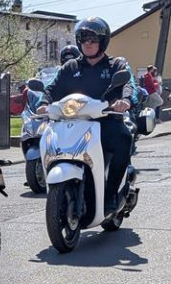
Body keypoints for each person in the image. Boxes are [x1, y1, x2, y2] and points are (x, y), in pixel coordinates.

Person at [37, 16, 136, 214]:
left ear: (103, 41)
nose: (88, 44)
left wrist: (125, 101)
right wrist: (44, 102)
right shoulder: (70, 67)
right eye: (83, 39)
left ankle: (111, 193)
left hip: (106, 121)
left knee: (123, 139)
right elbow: (51, 87)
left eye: (93, 39)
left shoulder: (116, 65)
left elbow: (128, 84)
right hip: (73, 121)